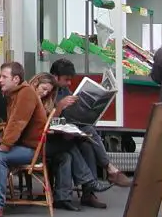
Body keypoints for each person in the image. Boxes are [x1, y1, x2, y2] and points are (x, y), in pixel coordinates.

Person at [49, 58, 131, 188]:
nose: (69, 83)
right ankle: (109, 169)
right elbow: (47, 121)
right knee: (89, 133)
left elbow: (70, 114)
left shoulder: (63, 90)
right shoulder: (47, 91)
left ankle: (90, 193)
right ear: (55, 77)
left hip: (67, 129)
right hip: (52, 136)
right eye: (66, 79)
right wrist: (60, 107)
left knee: (88, 142)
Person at [30, 74, 106, 211]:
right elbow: (41, 124)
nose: (45, 93)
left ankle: (63, 198)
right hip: (33, 144)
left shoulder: (44, 100)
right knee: (69, 145)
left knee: (67, 155)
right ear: (36, 83)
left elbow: (48, 123)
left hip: (42, 141)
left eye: (48, 91)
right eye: (43, 88)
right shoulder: (30, 99)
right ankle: (90, 181)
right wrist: (59, 108)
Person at [0, 62, 47, 217]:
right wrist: (1, 139)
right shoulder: (16, 93)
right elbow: (15, 123)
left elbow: (18, 122)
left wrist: (4, 144)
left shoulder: (26, 93)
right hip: (24, 145)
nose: (0, 80)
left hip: (31, 149)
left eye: (4, 77)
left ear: (16, 79)